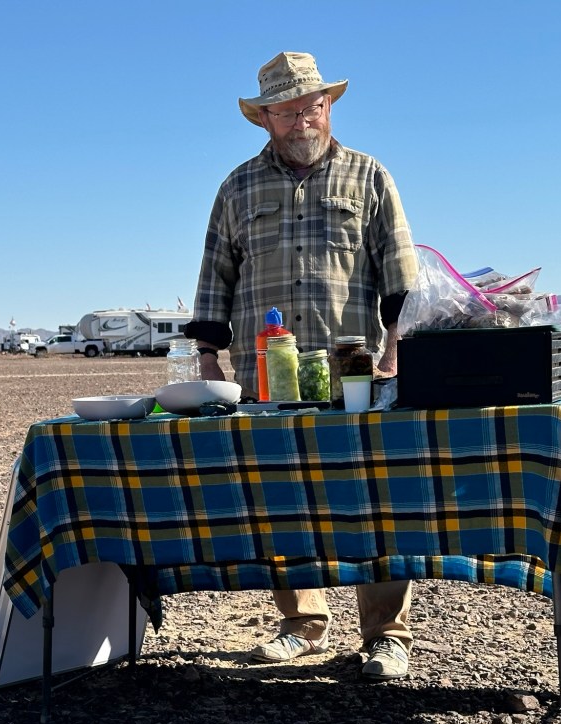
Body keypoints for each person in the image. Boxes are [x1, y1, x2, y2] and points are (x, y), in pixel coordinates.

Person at [184, 52, 419, 681]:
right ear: (263, 119)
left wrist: (396, 347)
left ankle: (386, 635)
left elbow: (401, 277)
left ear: (329, 107)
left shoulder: (370, 177)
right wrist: (208, 355)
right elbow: (215, 278)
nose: (301, 121)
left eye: (311, 107)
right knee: (281, 499)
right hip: (264, 374)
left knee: (375, 499)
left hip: (354, 370)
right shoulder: (236, 188)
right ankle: (301, 622)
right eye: (286, 112)